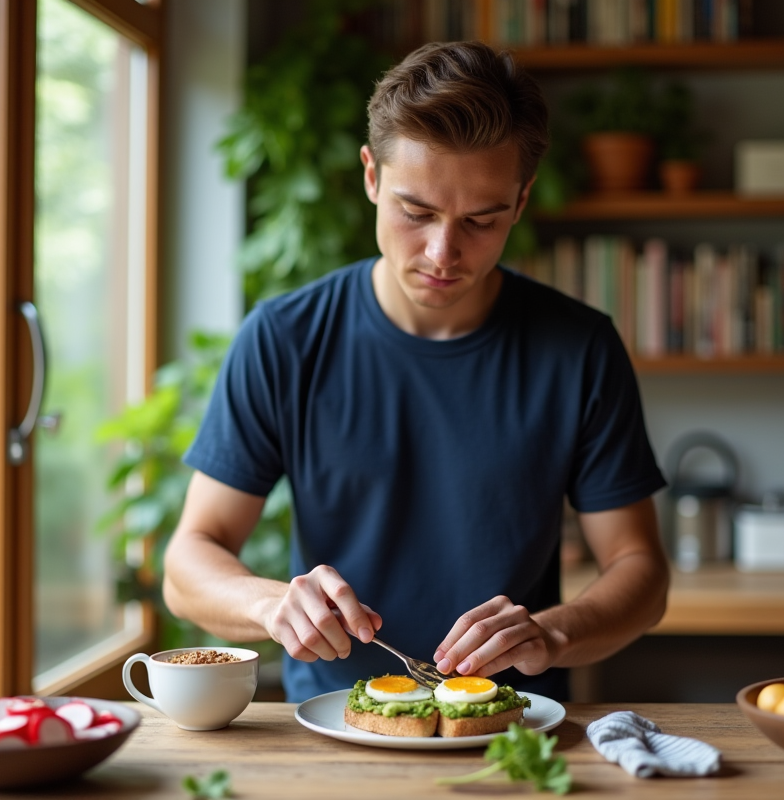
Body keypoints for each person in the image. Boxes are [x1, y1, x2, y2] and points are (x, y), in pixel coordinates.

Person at [163, 40, 669, 703]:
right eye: (416, 211)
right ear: (371, 177)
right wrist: (270, 606)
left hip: (511, 728)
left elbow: (640, 571)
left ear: (520, 203)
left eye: (481, 221)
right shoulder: (284, 339)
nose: (442, 252)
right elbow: (189, 560)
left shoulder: (580, 349)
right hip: (330, 724)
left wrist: (553, 633)